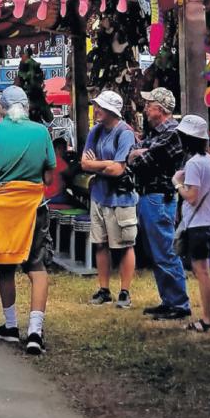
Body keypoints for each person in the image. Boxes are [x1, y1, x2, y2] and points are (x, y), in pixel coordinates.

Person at [0, 86, 55, 355]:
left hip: (2, 211)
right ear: (27, 107)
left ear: (1, 108)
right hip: (33, 208)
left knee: (6, 269)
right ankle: (35, 332)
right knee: (37, 268)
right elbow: (48, 177)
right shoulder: (41, 132)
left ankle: (11, 327)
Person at [127, 88, 192, 320]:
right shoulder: (156, 133)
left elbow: (142, 160)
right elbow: (132, 154)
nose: (145, 108)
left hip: (159, 198)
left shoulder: (172, 133)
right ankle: (169, 300)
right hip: (150, 197)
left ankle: (179, 304)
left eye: (150, 104)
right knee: (156, 251)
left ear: (161, 109)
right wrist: (138, 152)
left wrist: (139, 153)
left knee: (164, 250)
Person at [81, 91, 138, 310]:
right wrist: (106, 164)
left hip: (121, 198)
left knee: (125, 245)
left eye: (100, 107)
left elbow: (118, 169)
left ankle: (125, 291)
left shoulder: (125, 133)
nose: (96, 110)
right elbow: (84, 163)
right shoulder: (95, 131)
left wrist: (97, 164)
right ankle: (104, 290)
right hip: (99, 196)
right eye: (96, 106)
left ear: (112, 111)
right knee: (100, 243)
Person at [171, 116, 210, 332]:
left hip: (198, 225)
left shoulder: (193, 163)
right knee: (205, 272)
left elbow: (192, 196)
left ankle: (207, 319)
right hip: (209, 221)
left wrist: (177, 184)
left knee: (201, 272)